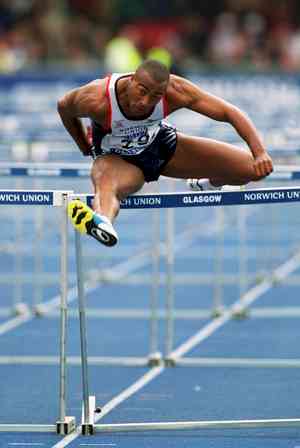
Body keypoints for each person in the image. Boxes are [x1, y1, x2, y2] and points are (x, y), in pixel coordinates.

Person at [57, 59, 273, 247]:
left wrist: (260, 152)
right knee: (107, 183)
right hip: (120, 160)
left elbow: (228, 112)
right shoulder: (97, 99)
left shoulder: (175, 91)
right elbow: (64, 106)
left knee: (253, 170)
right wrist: (83, 145)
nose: (145, 102)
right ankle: (102, 221)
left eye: (156, 96)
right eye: (142, 91)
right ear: (132, 80)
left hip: (161, 145)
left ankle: (206, 184)